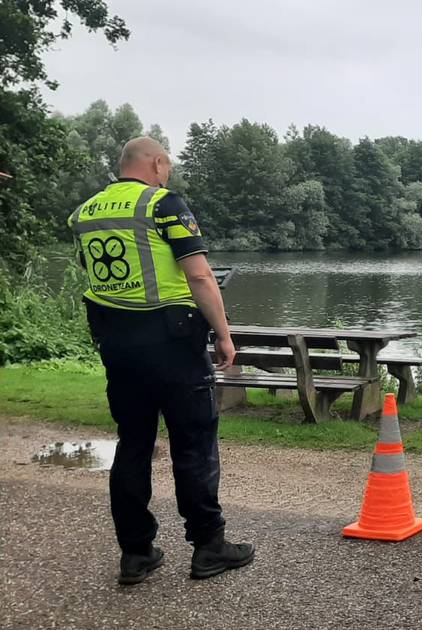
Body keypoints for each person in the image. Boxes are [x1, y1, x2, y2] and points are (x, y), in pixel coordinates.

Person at [68, 137, 254, 585]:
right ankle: (209, 547)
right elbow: (199, 274)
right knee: (194, 443)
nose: (166, 173)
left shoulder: (84, 213)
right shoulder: (163, 204)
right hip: (171, 342)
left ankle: (136, 554)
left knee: (133, 444)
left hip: (118, 344)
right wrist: (224, 334)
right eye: (165, 166)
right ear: (155, 163)